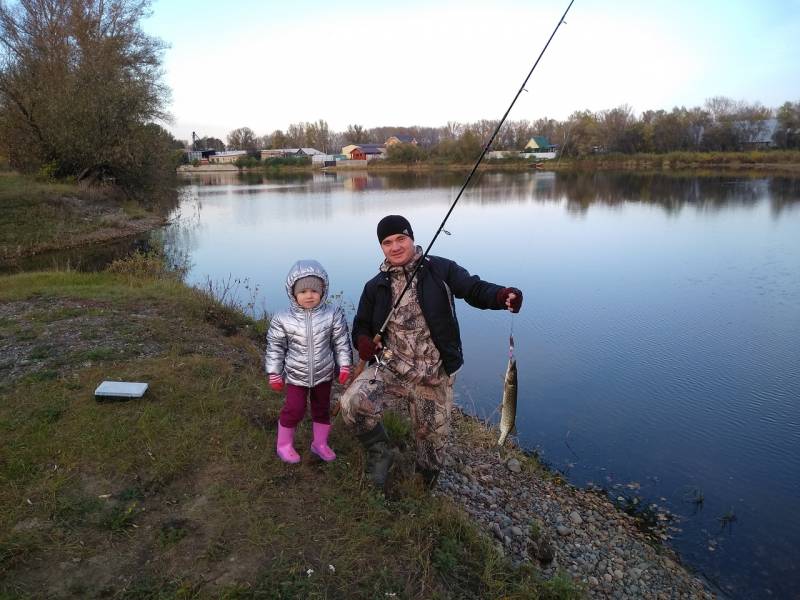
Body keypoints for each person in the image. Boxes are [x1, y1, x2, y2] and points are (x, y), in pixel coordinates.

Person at [338, 215, 522, 489]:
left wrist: (501, 296)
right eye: (387, 242)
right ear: (382, 247)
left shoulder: (440, 270)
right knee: (351, 405)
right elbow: (361, 326)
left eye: (401, 238)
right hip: (390, 369)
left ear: (412, 238)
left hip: (434, 376)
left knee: (432, 453)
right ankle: (380, 452)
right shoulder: (375, 286)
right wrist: (363, 341)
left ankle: (421, 491)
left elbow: (473, 288)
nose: (395, 246)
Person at [265, 259, 352, 464]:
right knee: (294, 409)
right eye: (303, 291)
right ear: (293, 293)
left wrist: (344, 365)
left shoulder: (332, 315)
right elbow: (275, 347)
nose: (309, 295)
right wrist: (274, 373)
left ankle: (319, 444)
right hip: (296, 375)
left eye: (314, 290)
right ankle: (284, 445)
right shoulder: (282, 318)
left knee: (322, 409)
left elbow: (341, 342)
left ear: (323, 291)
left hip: (324, 373)